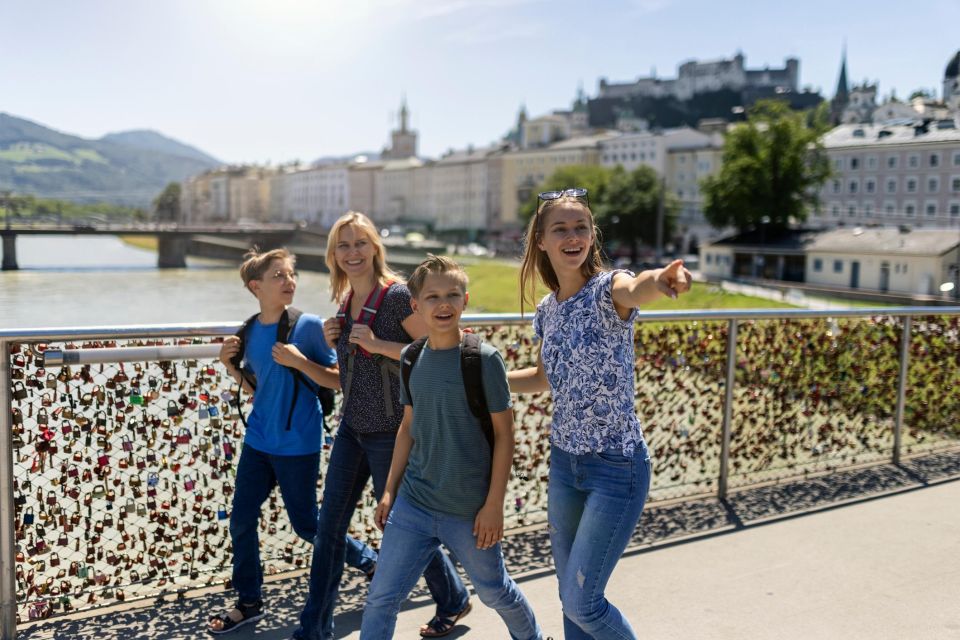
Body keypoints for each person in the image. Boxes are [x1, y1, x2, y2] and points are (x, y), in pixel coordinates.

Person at [509, 188, 691, 639]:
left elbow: (637, 287)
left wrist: (661, 281)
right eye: (561, 230)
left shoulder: (608, 290)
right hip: (565, 465)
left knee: (583, 602)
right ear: (541, 242)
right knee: (570, 601)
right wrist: (482, 378)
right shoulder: (547, 312)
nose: (573, 237)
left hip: (616, 467)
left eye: (581, 228)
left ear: (592, 235)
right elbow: (543, 377)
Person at [293, 214, 470, 640]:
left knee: (402, 524)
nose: (352, 252)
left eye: (360, 243)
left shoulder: (395, 297)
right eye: (343, 245)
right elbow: (352, 371)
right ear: (333, 255)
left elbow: (439, 348)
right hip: (352, 429)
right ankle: (313, 629)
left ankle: (452, 597)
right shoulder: (345, 303)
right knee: (329, 528)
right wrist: (336, 336)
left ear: (375, 248)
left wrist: (374, 343)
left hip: (392, 432)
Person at [360, 255, 546, 640]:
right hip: (414, 503)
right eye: (432, 297)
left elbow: (505, 435)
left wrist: (494, 505)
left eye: (452, 295)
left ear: (465, 300)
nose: (442, 304)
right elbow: (408, 427)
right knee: (381, 598)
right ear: (415, 306)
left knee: (496, 592)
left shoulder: (484, 360)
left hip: (468, 511)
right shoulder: (411, 357)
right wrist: (390, 489)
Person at [210, 248, 377, 635]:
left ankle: (370, 561)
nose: (289, 282)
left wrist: (301, 361)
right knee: (240, 521)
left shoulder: (308, 326)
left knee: (307, 526)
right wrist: (229, 366)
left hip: (298, 443)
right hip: (258, 442)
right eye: (278, 276)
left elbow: (338, 379)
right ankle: (249, 601)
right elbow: (257, 388)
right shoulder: (249, 331)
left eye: (291, 274)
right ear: (256, 286)